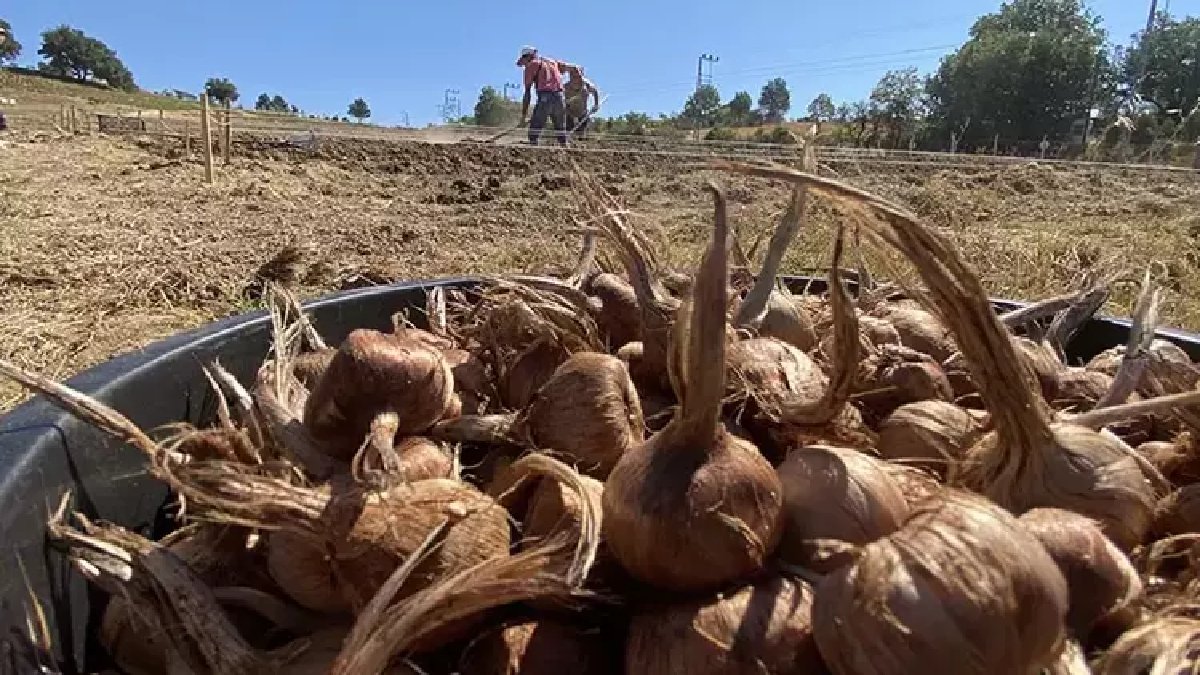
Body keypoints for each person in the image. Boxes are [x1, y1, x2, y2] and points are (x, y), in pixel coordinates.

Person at [516, 45, 580, 147]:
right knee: (561, 133)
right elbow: (574, 68)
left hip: (545, 98)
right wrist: (579, 84)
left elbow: (527, 93)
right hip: (560, 98)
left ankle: (533, 152)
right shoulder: (552, 62)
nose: (524, 65)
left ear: (527, 57)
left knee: (534, 133)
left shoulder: (531, 65)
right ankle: (566, 152)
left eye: (524, 61)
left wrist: (523, 116)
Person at [564, 70, 600, 141]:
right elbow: (563, 103)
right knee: (568, 133)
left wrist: (596, 104)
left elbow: (595, 91)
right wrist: (571, 116)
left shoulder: (586, 85)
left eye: (579, 76)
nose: (576, 79)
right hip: (569, 113)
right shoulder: (565, 87)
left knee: (582, 134)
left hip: (583, 113)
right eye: (574, 76)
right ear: (570, 77)